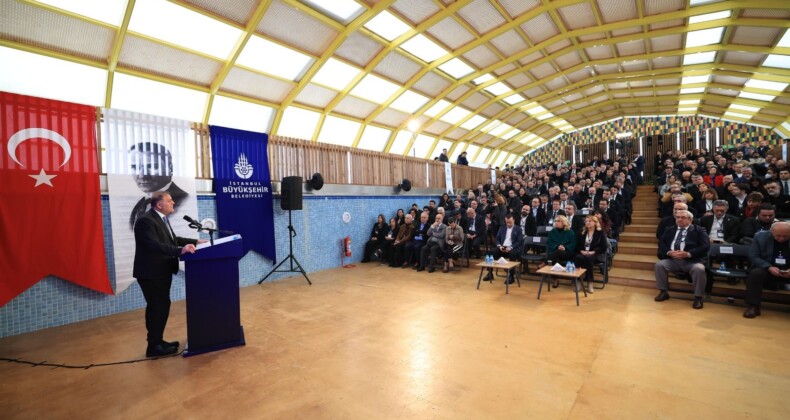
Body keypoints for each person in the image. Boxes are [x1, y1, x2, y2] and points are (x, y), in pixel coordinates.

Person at [133, 192, 205, 357]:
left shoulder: (160, 219)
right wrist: (181, 250)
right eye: (169, 200)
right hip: (151, 273)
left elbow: (172, 239)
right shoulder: (146, 221)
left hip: (160, 271)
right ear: (159, 205)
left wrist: (194, 242)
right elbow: (154, 245)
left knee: (161, 306)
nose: (173, 202)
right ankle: (154, 346)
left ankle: (158, 341)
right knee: (157, 308)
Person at [654, 210, 710, 309]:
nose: (679, 219)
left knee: (699, 269)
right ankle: (663, 292)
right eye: (677, 217)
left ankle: (698, 297)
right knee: (660, 265)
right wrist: (669, 252)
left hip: (692, 261)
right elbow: (662, 243)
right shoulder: (670, 229)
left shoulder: (699, 230)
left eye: (683, 217)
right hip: (673, 260)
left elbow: (705, 246)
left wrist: (688, 254)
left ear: (690, 219)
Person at [128, 142, 189, 230]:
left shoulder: (182, 201)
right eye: (135, 167)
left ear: (170, 169)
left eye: (152, 166)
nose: (142, 175)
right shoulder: (141, 205)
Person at [743, 222, 790, 318]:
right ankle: (753, 306)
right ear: (771, 232)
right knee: (755, 274)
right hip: (768, 268)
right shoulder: (760, 237)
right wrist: (768, 267)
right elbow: (754, 256)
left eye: (785, 236)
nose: (781, 238)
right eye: (778, 236)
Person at [482, 214, 523, 284]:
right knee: (490, 252)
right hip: (502, 247)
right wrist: (499, 246)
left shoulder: (518, 229)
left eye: (510, 222)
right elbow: (497, 239)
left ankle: (511, 276)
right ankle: (490, 273)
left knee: (512, 254)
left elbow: (519, 242)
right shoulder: (502, 228)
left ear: (514, 221)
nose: (508, 224)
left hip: (513, 248)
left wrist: (511, 247)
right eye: (507, 222)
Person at [572, 216, 608, 294]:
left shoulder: (601, 233)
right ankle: (578, 281)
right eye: (586, 221)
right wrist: (581, 251)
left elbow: (604, 247)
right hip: (583, 253)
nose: (587, 222)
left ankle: (590, 282)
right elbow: (576, 245)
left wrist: (593, 252)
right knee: (577, 257)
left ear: (595, 223)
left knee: (589, 258)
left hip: (596, 254)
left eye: (590, 221)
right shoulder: (582, 232)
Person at [546, 216, 577, 287]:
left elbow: (573, 243)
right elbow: (549, 243)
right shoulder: (552, 232)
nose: (556, 223)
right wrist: (557, 247)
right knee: (557, 256)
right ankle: (555, 279)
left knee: (557, 253)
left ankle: (545, 262)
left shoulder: (570, 232)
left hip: (567, 252)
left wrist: (565, 248)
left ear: (563, 222)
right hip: (556, 253)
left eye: (558, 221)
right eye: (555, 221)